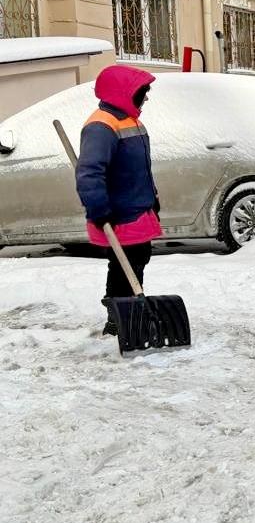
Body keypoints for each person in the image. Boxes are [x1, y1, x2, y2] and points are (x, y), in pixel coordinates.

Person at [75, 66, 163, 336]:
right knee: (125, 265)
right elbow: (89, 172)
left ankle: (129, 313)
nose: (145, 98)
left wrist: (153, 197)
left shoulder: (130, 120)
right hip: (118, 214)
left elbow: (139, 168)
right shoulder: (101, 125)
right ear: (124, 92)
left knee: (137, 261)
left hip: (138, 208)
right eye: (142, 93)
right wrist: (99, 210)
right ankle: (118, 318)